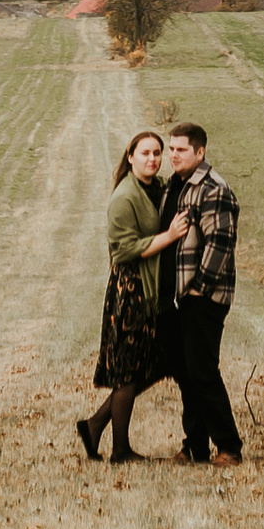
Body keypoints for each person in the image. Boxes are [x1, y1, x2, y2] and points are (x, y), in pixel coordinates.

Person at [77, 129, 187, 462]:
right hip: (131, 292)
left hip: (152, 290)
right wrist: (169, 237)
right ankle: (120, 450)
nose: (152, 159)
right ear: (130, 157)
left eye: (157, 153)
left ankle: (95, 425)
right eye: (145, 153)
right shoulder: (124, 197)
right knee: (128, 371)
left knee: (154, 365)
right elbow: (124, 251)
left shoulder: (156, 188)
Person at [160, 123, 243, 465]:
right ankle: (194, 446)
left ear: (200, 152)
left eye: (181, 149)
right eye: (172, 149)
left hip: (204, 296)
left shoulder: (213, 189)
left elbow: (220, 242)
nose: (174, 155)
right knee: (187, 372)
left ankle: (229, 447)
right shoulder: (177, 186)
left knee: (203, 370)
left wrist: (198, 289)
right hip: (181, 295)